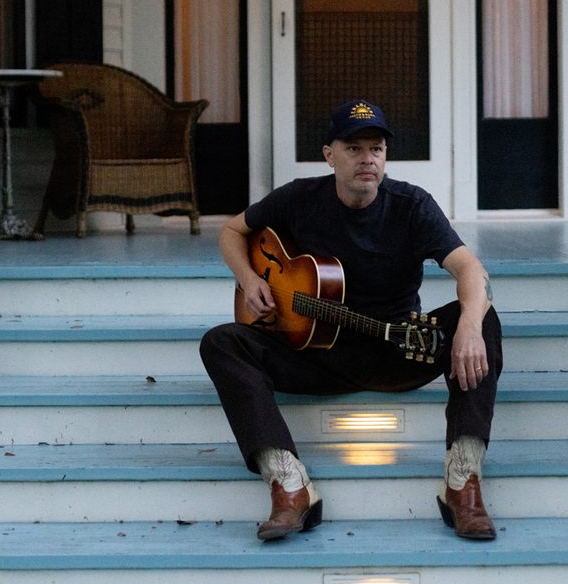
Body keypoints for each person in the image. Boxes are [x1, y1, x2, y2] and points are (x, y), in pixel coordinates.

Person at [200, 99, 502, 542]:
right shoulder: (299, 199)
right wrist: (250, 280)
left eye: (376, 149)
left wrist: (470, 326)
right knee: (220, 342)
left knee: (481, 316)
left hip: (398, 349)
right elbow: (231, 231)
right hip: (315, 355)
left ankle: (462, 481)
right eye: (355, 148)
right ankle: (289, 484)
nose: (368, 159)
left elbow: (470, 270)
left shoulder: (412, 206)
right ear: (329, 155)